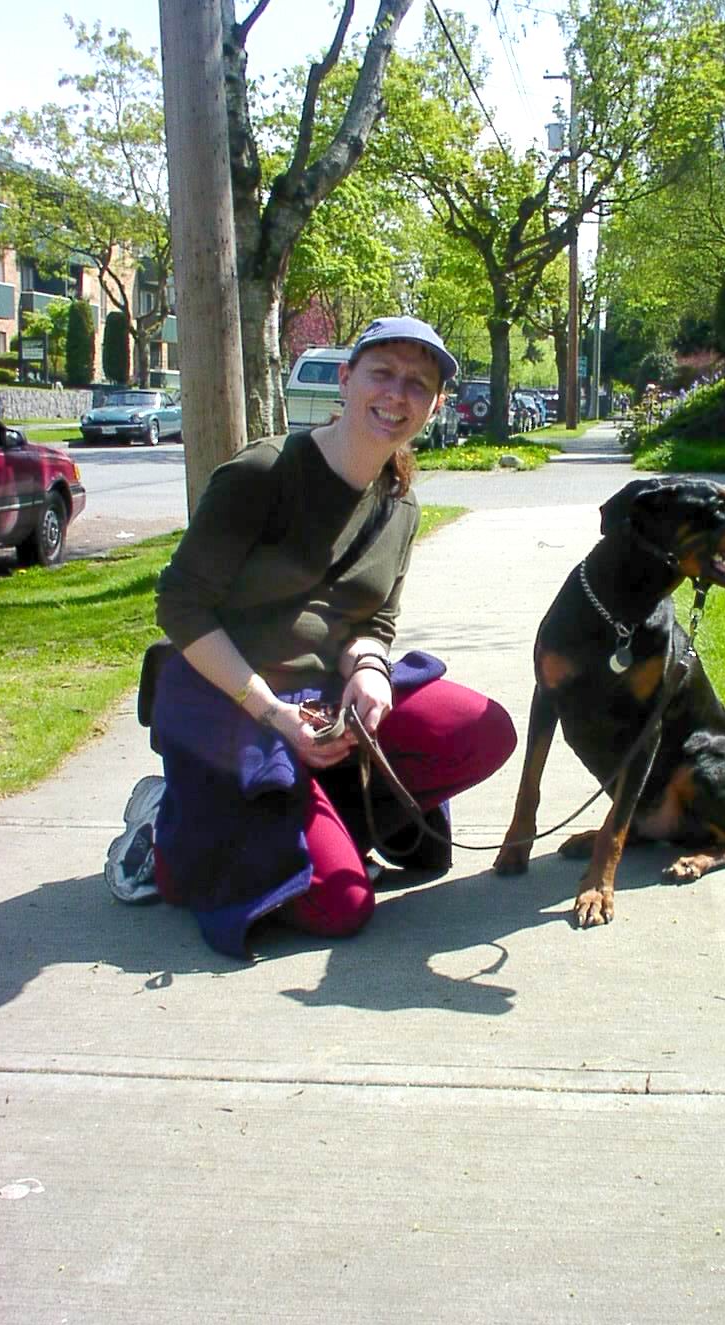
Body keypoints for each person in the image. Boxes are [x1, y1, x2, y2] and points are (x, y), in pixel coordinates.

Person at [147, 317, 517, 958]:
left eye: (417, 384)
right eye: (382, 374)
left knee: (484, 729)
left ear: (434, 405)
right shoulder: (263, 474)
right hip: (231, 703)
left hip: (324, 698)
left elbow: (371, 621)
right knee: (339, 907)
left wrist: (369, 671)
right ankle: (172, 837)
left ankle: (322, 809)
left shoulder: (400, 507)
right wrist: (272, 712)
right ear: (345, 380)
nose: (397, 395)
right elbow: (181, 608)